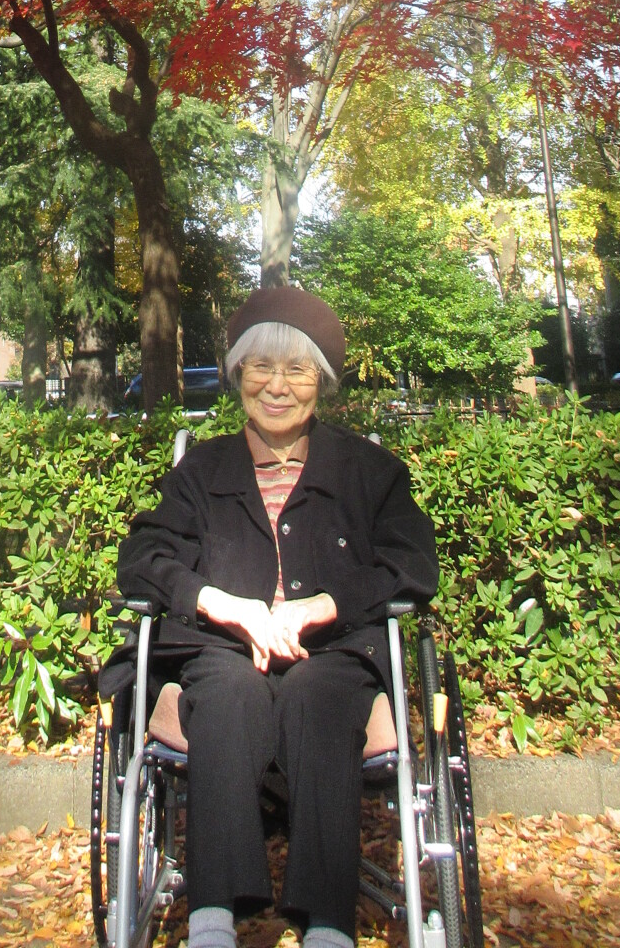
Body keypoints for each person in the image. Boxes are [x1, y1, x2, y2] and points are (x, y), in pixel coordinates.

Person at [113, 286, 438, 948]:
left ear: (322, 378)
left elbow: (413, 565)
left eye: (297, 369)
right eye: (261, 367)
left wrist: (327, 604)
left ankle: (326, 926)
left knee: (321, 695)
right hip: (224, 652)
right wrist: (221, 604)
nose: (277, 386)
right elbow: (144, 556)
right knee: (228, 693)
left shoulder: (369, 470)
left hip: (335, 651)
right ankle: (211, 918)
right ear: (238, 375)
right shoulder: (201, 471)